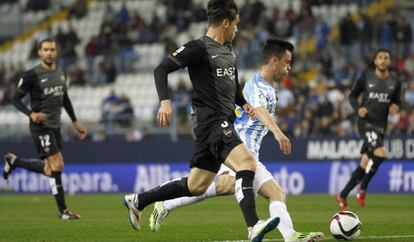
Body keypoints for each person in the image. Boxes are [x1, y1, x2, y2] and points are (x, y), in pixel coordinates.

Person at [123, 1, 279, 241]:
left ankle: (138, 201)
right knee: (246, 162)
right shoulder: (198, 48)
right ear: (225, 23)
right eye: (236, 24)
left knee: (196, 185)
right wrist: (165, 102)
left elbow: (232, 85)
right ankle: (253, 226)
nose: (237, 30)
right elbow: (160, 70)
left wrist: (243, 103)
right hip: (211, 121)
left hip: (219, 122)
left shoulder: (229, 49)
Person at [149, 38, 325, 242]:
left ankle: (291, 235)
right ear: (274, 61)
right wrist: (277, 132)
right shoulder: (256, 85)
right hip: (237, 145)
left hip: (250, 152)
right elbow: (258, 109)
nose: (290, 67)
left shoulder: (268, 88)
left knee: (267, 192)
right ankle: (166, 204)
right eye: (287, 62)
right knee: (228, 185)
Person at [2, 39, 88, 219]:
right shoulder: (31, 75)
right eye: (45, 49)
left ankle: (14, 161)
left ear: (56, 53)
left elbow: (64, 98)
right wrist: (30, 114)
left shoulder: (60, 73)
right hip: (40, 127)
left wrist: (75, 121)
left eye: (52, 50)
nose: (49, 52)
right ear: (39, 52)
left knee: (50, 170)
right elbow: (14, 98)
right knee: (58, 164)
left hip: (55, 127)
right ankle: (63, 211)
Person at [336, 48, 401, 210]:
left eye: (386, 57)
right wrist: (358, 108)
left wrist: (395, 106)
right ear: (375, 61)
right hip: (366, 123)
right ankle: (363, 188)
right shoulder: (366, 78)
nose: (383, 60)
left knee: (364, 163)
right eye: (380, 57)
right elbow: (352, 96)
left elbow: (397, 101)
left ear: (389, 61)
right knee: (381, 154)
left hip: (380, 126)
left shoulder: (395, 82)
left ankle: (342, 194)